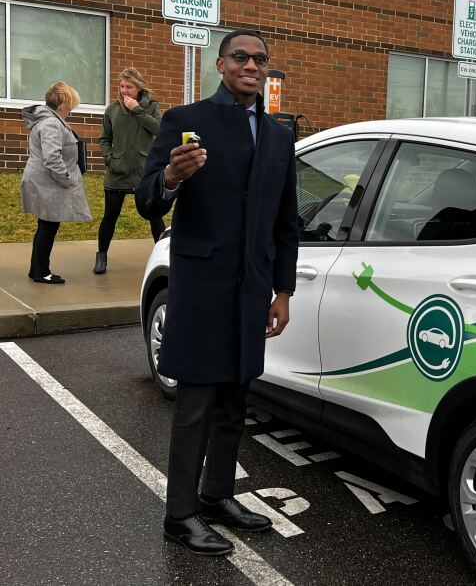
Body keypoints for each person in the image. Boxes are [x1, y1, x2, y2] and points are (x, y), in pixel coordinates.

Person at [136, 29, 299, 556]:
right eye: (241, 57)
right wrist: (170, 177)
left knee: (234, 399)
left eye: (260, 59)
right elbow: (145, 201)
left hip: (252, 289)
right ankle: (179, 514)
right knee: (197, 404)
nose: (252, 65)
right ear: (222, 65)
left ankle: (217, 497)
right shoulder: (186, 122)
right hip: (202, 286)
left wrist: (283, 290)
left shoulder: (278, 135)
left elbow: (286, 221)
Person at [21, 82, 92, 284]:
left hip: (43, 180)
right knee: (48, 227)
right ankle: (42, 272)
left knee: (44, 225)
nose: (71, 110)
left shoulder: (48, 120)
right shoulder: (51, 123)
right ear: (62, 105)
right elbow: (52, 157)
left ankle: (36, 269)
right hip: (48, 182)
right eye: (71, 106)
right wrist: (67, 180)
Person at [94, 68, 164, 274]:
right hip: (117, 171)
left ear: (139, 87)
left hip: (144, 172)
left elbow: (159, 130)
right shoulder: (112, 110)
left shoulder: (151, 107)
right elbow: (104, 138)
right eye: (122, 86)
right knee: (110, 216)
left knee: (155, 216)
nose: (125, 91)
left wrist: (137, 110)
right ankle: (101, 256)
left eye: (129, 87)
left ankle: (163, 258)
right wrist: (109, 158)